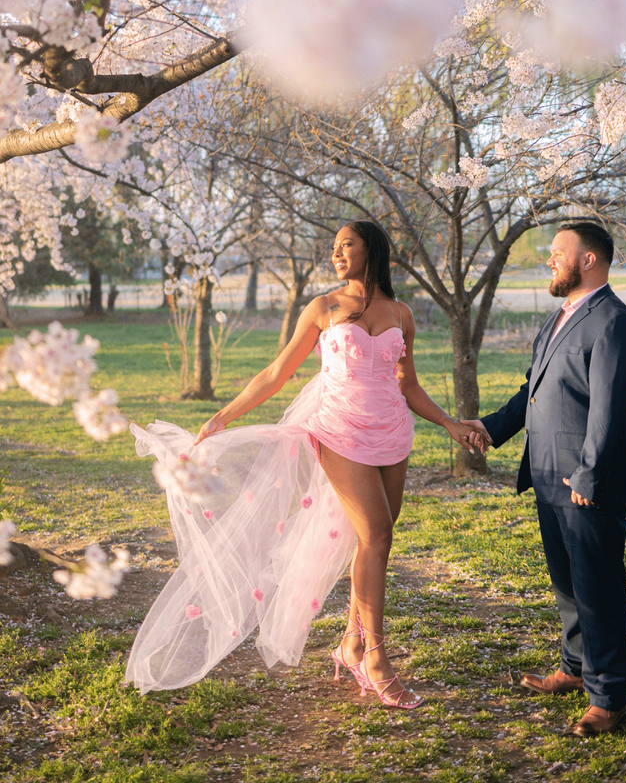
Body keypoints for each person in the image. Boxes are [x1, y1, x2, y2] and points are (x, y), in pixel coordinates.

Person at [127, 220, 481, 708]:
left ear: (372, 250)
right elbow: (277, 371)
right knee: (378, 535)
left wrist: (449, 424)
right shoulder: (324, 308)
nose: (336, 253)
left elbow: (408, 385)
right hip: (337, 431)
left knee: (373, 540)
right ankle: (376, 659)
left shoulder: (402, 313)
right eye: (333, 248)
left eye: (346, 245)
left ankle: (350, 644)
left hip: (394, 435)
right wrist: (223, 415)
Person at [463, 221, 626, 736]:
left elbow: (609, 410)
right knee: (568, 585)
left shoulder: (615, 322)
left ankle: (609, 696)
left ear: (588, 260)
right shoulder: (561, 317)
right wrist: (492, 427)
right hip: (548, 474)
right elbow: (534, 390)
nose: (549, 260)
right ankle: (575, 668)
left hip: (588, 483)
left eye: (557, 253)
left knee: (597, 588)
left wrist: (588, 478)